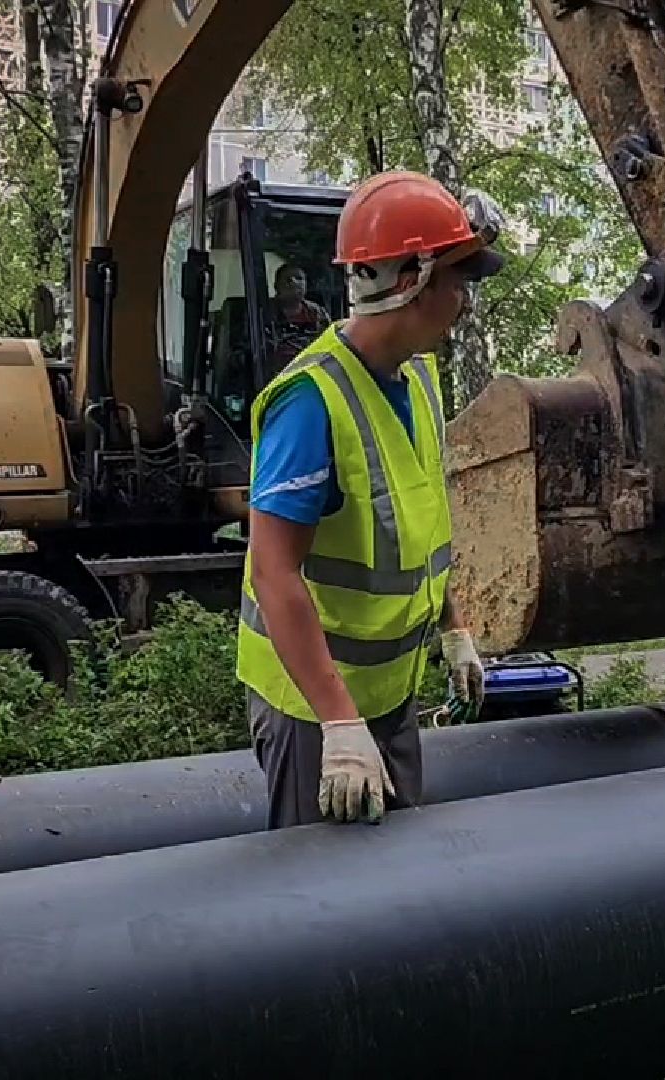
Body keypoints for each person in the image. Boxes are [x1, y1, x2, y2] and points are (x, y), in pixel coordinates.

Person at [236, 171, 504, 826]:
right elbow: (275, 573)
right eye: (458, 280)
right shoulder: (311, 401)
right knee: (326, 908)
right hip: (315, 711)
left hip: (386, 697)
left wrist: (455, 628)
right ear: (410, 280)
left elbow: (417, 530)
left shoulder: (417, 379)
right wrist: (339, 724)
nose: (465, 302)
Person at [267, 263, 332, 372]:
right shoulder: (265, 313)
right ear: (276, 286)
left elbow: (329, 345)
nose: (294, 282)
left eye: (299, 278)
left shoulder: (317, 313)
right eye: (288, 279)